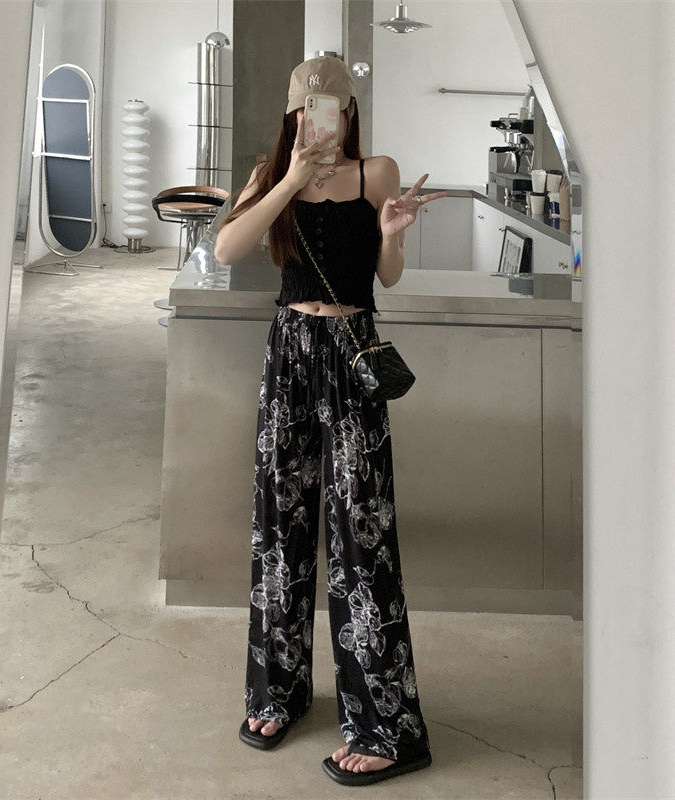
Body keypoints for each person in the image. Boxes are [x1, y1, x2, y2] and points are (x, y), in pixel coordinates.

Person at [213, 55, 447, 786]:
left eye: (336, 108)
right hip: (289, 349)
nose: (325, 120)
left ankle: (388, 727)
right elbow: (227, 248)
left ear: (350, 111)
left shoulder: (377, 171)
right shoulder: (270, 174)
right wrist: (289, 179)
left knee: (360, 535)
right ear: (294, 115)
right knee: (278, 526)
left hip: (351, 351)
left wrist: (393, 232)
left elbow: (386, 276)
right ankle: (277, 691)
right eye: (309, 110)